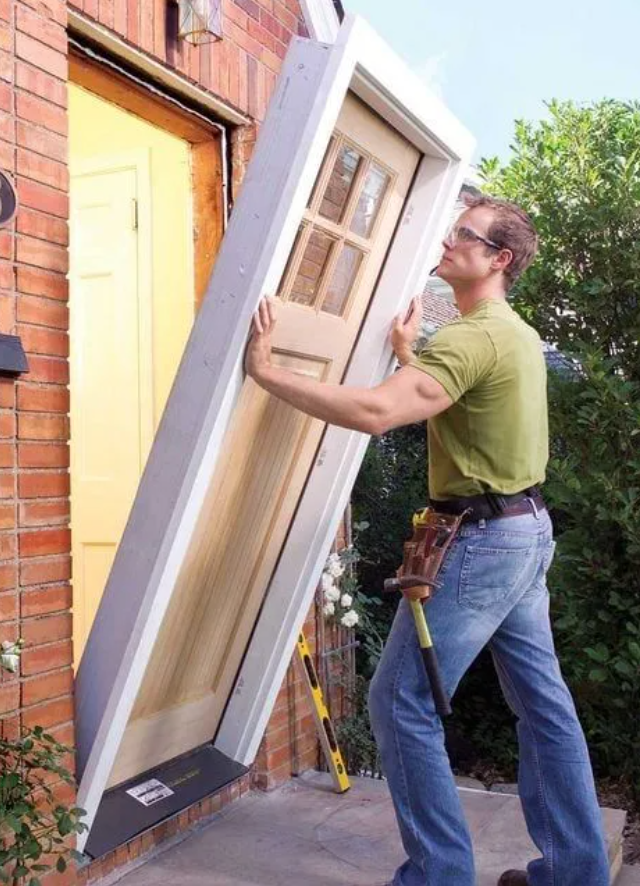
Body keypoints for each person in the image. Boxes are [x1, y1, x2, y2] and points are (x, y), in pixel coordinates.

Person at [245, 194, 609, 886]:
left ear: (497, 259)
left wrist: (268, 373)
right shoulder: (509, 333)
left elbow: (381, 412)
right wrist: (413, 352)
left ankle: (437, 876)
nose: (446, 243)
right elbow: (463, 403)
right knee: (542, 706)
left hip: (482, 547)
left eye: (462, 236)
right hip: (524, 535)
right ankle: (574, 872)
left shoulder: (470, 338)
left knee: (396, 702)